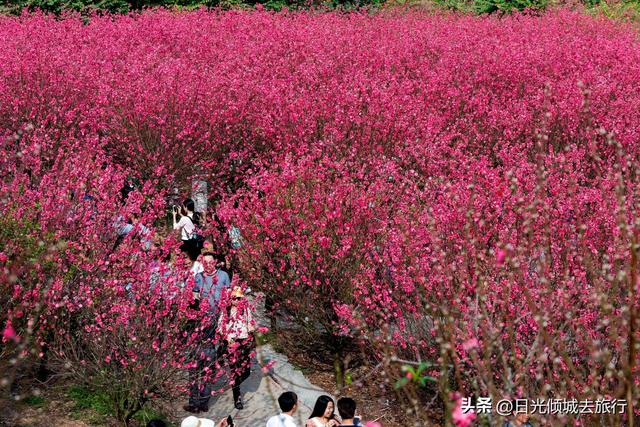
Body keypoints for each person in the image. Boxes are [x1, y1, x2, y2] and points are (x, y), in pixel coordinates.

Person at [184, 253, 231, 413]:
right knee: (194, 366)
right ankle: (193, 402)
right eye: (205, 262)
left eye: (211, 262)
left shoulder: (223, 276)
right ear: (202, 263)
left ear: (216, 263)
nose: (208, 265)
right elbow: (193, 295)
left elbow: (228, 296)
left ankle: (203, 402)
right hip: (199, 322)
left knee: (208, 365)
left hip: (215, 323)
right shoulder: (198, 277)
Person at [217, 286, 256, 410]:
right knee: (234, 371)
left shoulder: (245, 309)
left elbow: (250, 322)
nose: (237, 301)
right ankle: (237, 397)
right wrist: (227, 337)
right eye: (234, 298)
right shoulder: (226, 310)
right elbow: (220, 326)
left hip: (243, 342)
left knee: (246, 371)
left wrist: (251, 330)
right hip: (231, 342)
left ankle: (236, 383)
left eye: (239, 298)